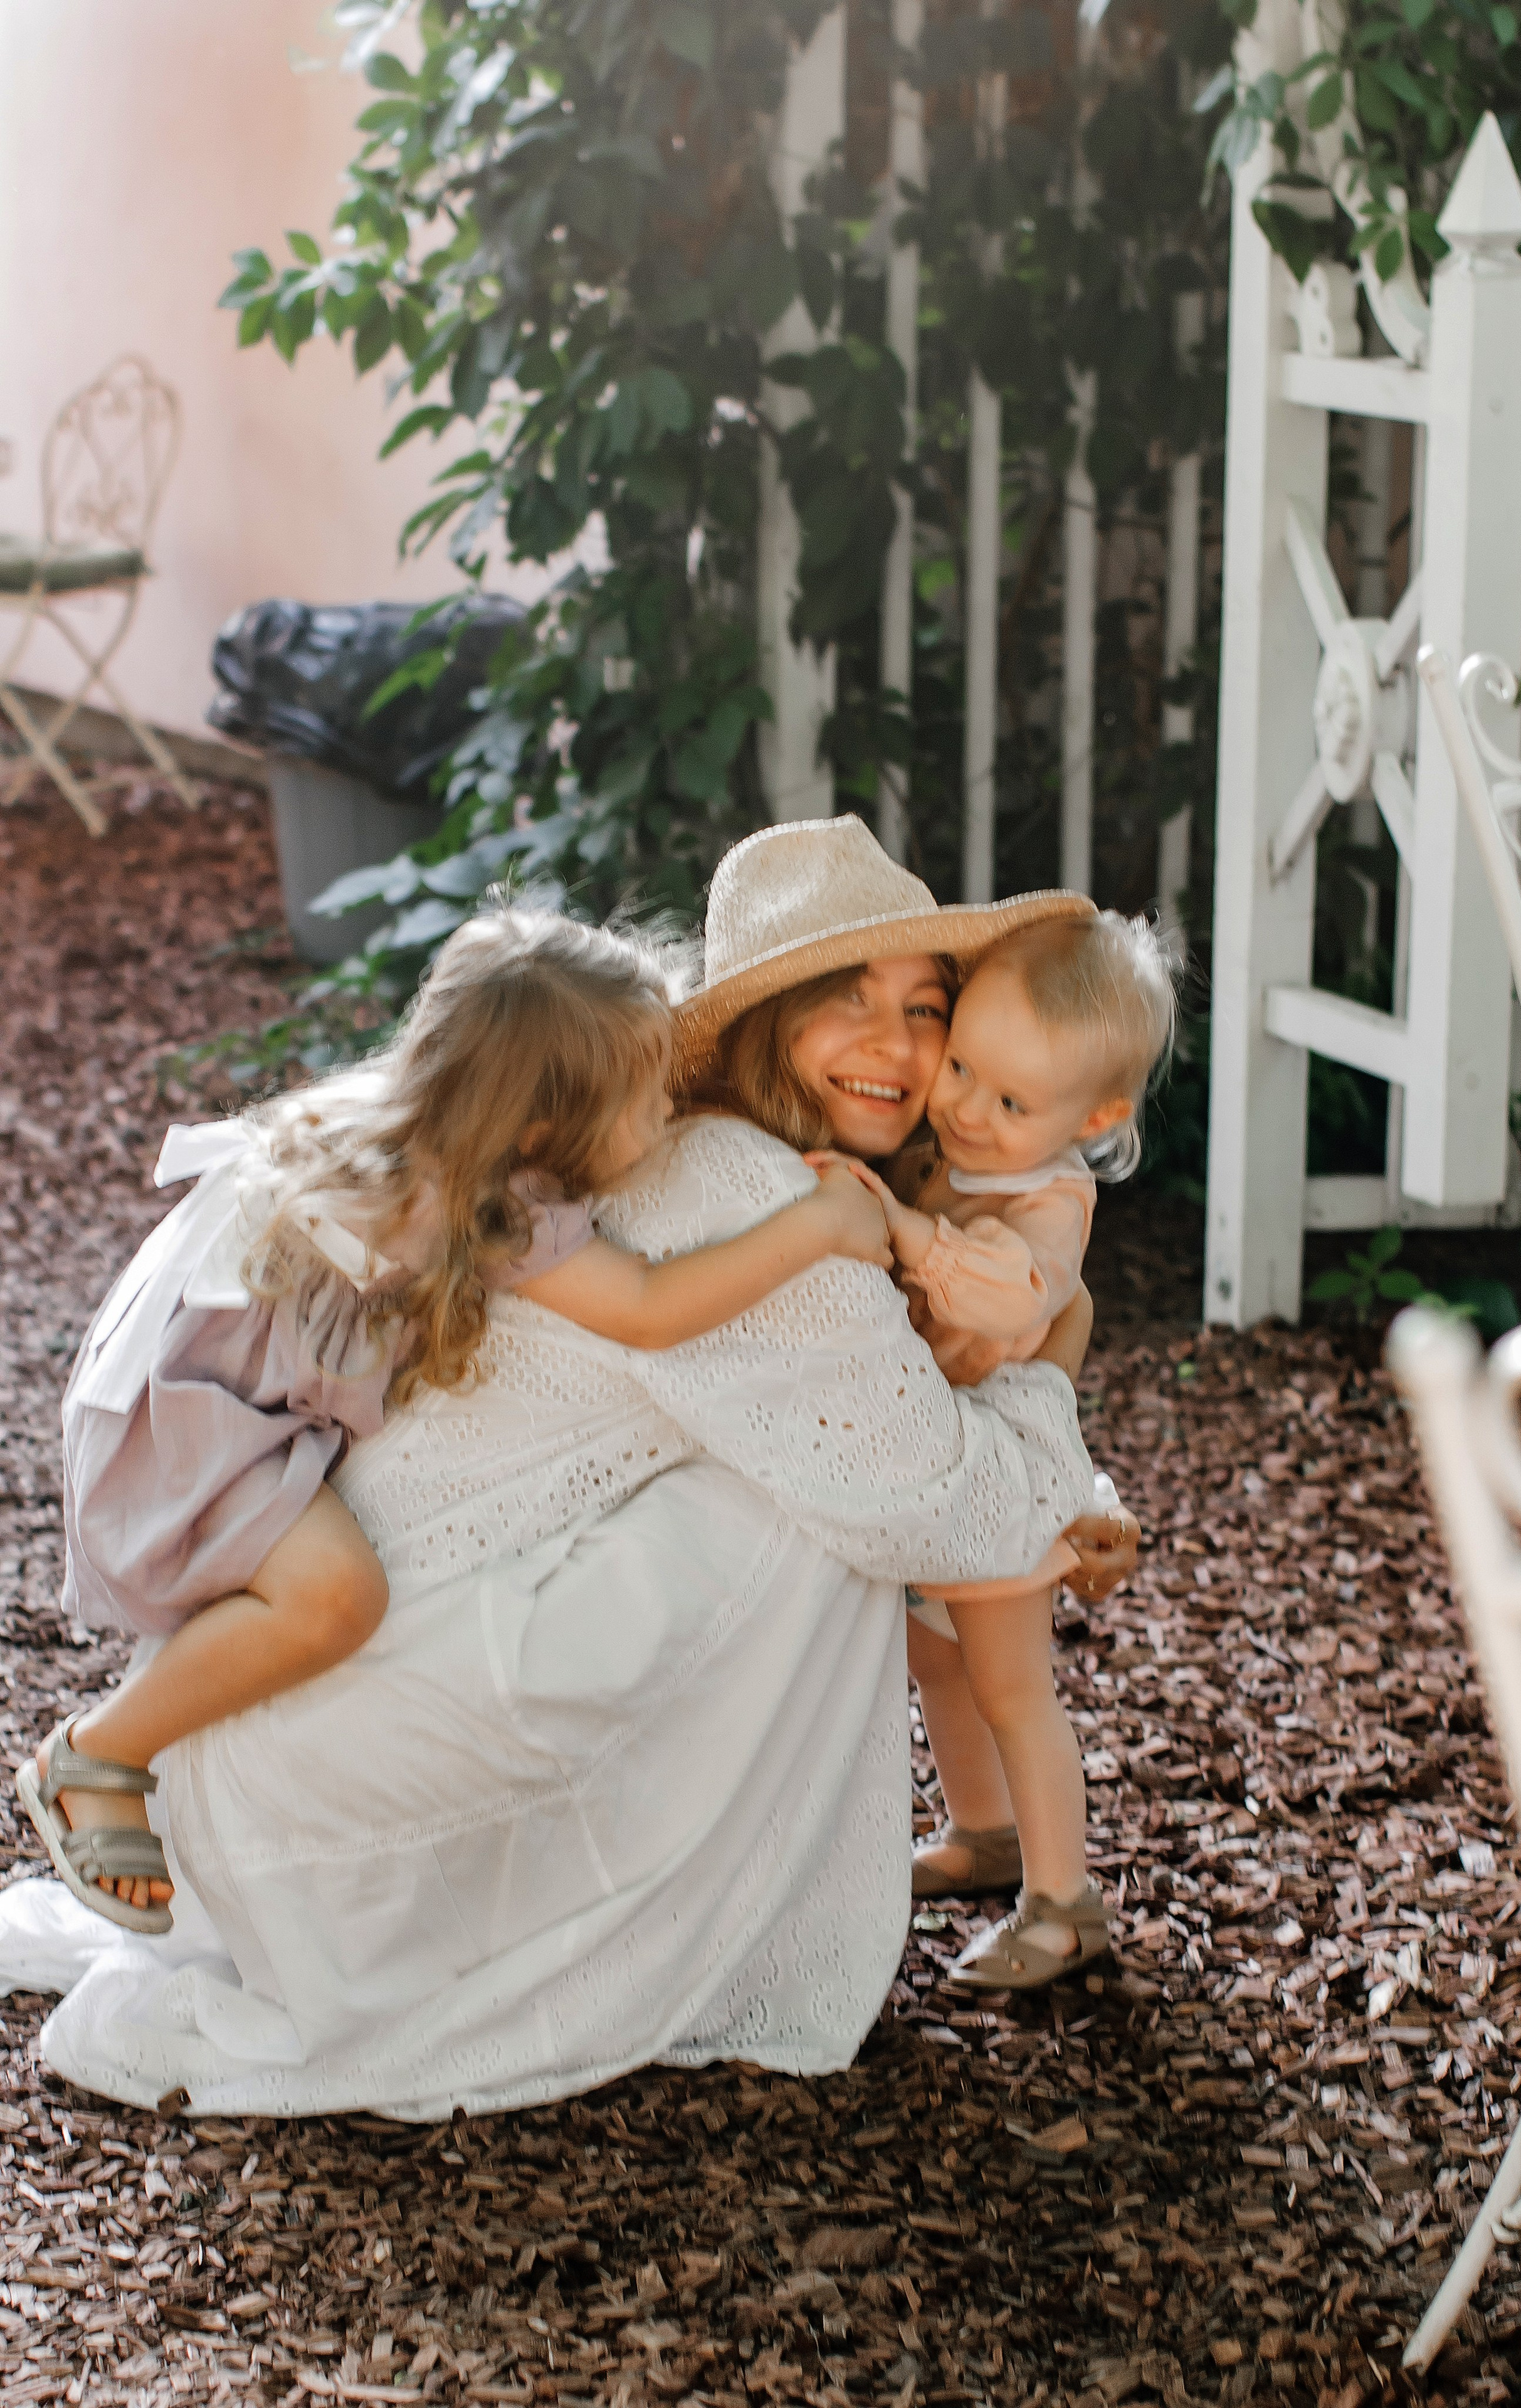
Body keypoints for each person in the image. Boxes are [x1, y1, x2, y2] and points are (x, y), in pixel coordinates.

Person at [4, 815, 1135, 2118]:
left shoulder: (659, 1151)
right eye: (848, 999)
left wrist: (1052, 1478)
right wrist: (1063, 1363)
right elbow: (933, 1498)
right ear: (767, 1019)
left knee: (802, 1499)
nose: (896, 1044)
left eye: (924, 1008)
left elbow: (903, 1433)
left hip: (295, 1726)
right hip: (332, 1772)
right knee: (810, 1527)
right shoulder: (753, 1191)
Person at [24, 909, 890, 1937]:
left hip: (175, 1380)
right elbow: (650, 1309)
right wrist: (816, 1226)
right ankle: (97, 1755)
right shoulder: (489, 1203)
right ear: (542, 1133)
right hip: (198, 1429)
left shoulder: (416, 1121)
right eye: (648, 1093)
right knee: (337, 1599)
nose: (669, 1108)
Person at [828, 911, 1174, 1989]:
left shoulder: (1050, 1197)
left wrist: (905, 1231)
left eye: (1012, 1101)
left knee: (1014, 1687)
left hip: (1003, 1474)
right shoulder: (964, 1156)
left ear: (1096, 1118)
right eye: (962, 1069)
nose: (969, 1109)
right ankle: (983, 1832)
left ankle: (1064, 1904)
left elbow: (1019, 1296)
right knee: (937, 1661)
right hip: (944, 1463)